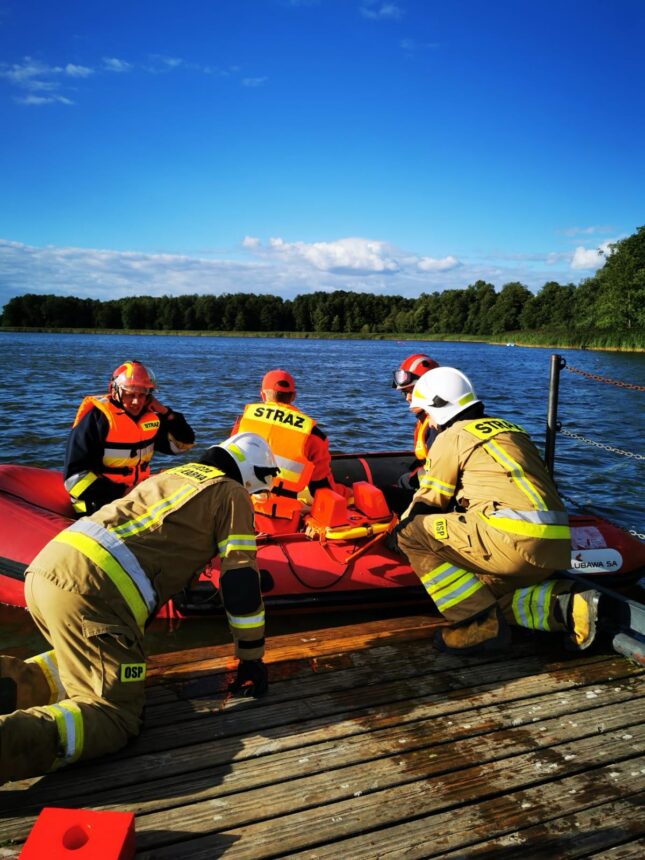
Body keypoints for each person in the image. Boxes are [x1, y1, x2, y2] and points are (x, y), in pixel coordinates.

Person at [0, 432, 278, 786]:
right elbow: (240, 584)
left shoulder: (170, 476)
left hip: (46, 569)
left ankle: (11, 685)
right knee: (115, 714)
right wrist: (251, 657)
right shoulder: (232, 493)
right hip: (94, 592)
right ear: (251, 475)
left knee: (76, 665)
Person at [394, 366, 600, 655]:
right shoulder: (511, 429)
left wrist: (396, 530)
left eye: (427, 412)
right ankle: (566, 607)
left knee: (410, 534)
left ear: (438, 408)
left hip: (511, 540)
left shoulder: (452, 436)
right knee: (482, 591)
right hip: (554, 548)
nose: (428, 420)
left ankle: (476, 625)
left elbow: (428, 503)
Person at [64, 360, 196, 516]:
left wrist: (166, 412)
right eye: (129, 395)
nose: (136, 402)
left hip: (134, 499)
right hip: (97, 504)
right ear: (116, 392)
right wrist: (124, 492)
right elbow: (74, 479)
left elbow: (183, 444)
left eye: (142, 395)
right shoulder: (96, 420)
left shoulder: (149, 419)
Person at [232, 369, 350, 511]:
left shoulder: (243, 421)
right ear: (293, 396)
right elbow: (321, 488)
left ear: (262, 395)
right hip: (282, 516)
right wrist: (349, 493)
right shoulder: (313, 434)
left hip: (241, 506)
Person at [385, 353, 439, 514]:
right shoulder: (426, 420)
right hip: (429, 486)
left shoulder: (437, 425)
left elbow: (440, 474)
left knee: (385, 494)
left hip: (436, 497)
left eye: (413, 392)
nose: (408, 398)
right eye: (404, 393)